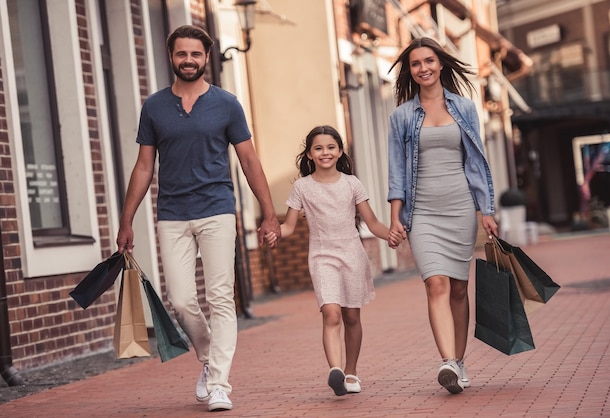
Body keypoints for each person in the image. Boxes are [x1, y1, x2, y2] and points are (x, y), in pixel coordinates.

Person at [115, 25, 280, 412]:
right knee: (181, 299)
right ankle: (209, 358)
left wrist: (269, 213)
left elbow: (249, 160)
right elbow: (143, 167)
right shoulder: (154, 106)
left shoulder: (227, 104)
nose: (188, 60)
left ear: (206, 58)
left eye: (195, 54)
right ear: (170, 57)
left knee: (221, 297)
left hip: (217, 209)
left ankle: (219, 381)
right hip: (172, 213)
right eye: (181, 54)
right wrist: (126, 221)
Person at [386, 37, 498, 394]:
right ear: (411, 71)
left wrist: (487, 209)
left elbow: (477, 163)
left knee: (460, 289)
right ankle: (447, 360)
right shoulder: (402, 116)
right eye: (416, 63)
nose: (424, 68)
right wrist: (395, 217)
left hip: (460, 206)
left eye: (429, 60)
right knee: (436, 283)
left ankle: (460, 362)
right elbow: (396, 172)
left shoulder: (464, 108)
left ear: (441, 64)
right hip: (423, 213)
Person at [265, 125, 404, 396]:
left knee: (352, 316)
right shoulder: (302, 188)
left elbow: (372, 221)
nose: (325, 152)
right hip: (321, 257)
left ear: (340, 151)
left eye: (331, 147)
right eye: (318, 148)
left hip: (352, 255)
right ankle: (335, 370)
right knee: (331, 312)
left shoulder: (352, 183)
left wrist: (391, 235)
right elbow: (290, 226)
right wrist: (274, 232)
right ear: (309, 155)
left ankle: (351, 372)